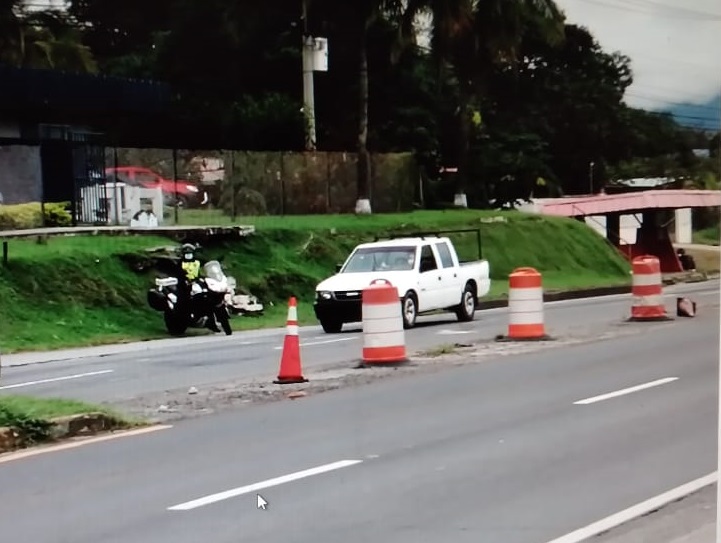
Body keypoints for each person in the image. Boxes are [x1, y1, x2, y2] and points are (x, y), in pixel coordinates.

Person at [178, 243, 222, 333]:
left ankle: (211, 322)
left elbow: (207, 264)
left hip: (196, 282)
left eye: (190, 253)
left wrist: (217, 261)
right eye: (186, 253)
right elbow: (178, 273)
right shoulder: (180, 263)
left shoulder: (197, 261)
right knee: (185, 299)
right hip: (185, 284)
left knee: (209, 295)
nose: (188, 255)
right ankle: (189, 317)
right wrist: (185, 280)